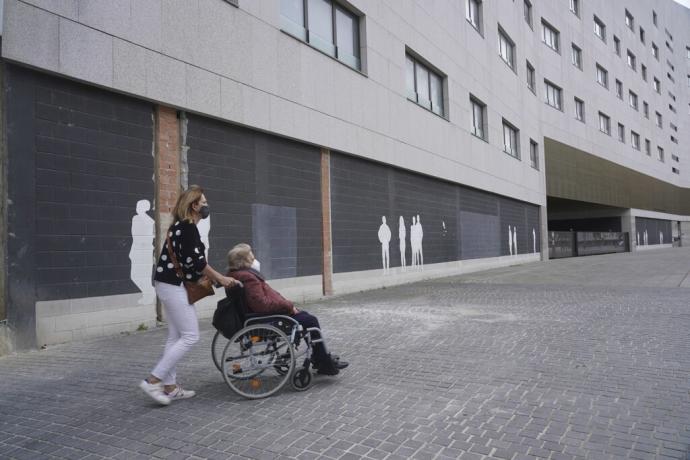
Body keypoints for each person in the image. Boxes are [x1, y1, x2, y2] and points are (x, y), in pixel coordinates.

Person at [139, 185, 240, 405]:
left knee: (176, 336)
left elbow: (190, 262)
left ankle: (170, 387)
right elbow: (198, 263)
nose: (206, 207)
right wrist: (221, 278)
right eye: (203, 203)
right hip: (172, 285)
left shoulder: (178, 226)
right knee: (190, 335)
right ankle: (152, 380)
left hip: (167, 283)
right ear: (194, 206)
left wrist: (210, 277)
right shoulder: (187, 228)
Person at [226, 243, 348, 376]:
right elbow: (261, 305)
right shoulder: (248, 278)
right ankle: (323, 361)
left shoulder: (236, 275)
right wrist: (288, 306)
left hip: (262, 316)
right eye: (252, 257)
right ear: (244, 262)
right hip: (267, 319)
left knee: (305, 317)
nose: (255, 260)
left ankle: (320, 357)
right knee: (311, 321)